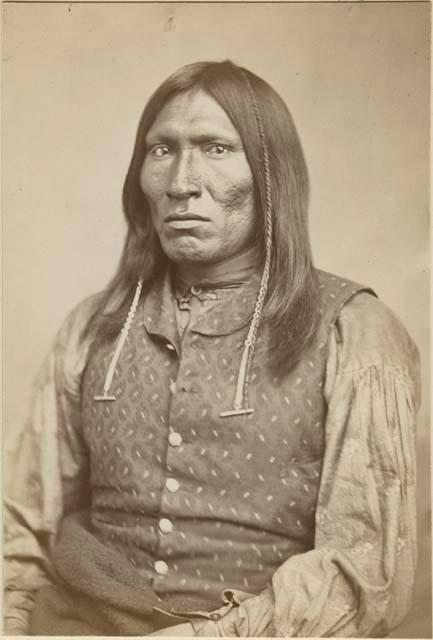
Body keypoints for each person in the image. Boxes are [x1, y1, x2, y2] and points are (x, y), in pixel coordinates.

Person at [4, 60, 421, 637]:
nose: (182, 182)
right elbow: (22, 531)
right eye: (162, 150)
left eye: (216, 148)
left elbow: (364, 570)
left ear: (272, 175)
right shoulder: (94, 328)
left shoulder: (355, 332)